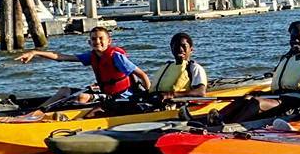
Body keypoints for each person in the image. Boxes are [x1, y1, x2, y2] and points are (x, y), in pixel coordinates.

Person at [216, 19, 300, 124]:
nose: (295, 41)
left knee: (256, 102)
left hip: (297, 104)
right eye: (292, 37)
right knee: (246, 98)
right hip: (280, 98)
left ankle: (230, 126)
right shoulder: (288, 57)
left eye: (299, 38)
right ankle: (217, 118)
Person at [15, 25, 151, 108]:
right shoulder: (91, 56)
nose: (97, 41)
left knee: (81, 98)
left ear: (109, 41)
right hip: (106, 93)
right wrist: (35, 52)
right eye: (93, 39)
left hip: (121, 97)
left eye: (100, 38)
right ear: (89, 42)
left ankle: (76, 119)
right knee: (64, 91)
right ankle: (36, 112)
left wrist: (149, 95)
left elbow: (141, 74)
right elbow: (60, 57)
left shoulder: (116, 57)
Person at [151, 32, 207, 99]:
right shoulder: (166, 67)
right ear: (172, 49)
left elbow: (200, 92)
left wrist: (172, 94)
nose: (180, 49)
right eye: (177, 46)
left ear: (191, 50)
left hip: (180, 104)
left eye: (184, 46)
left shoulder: (195, 68)